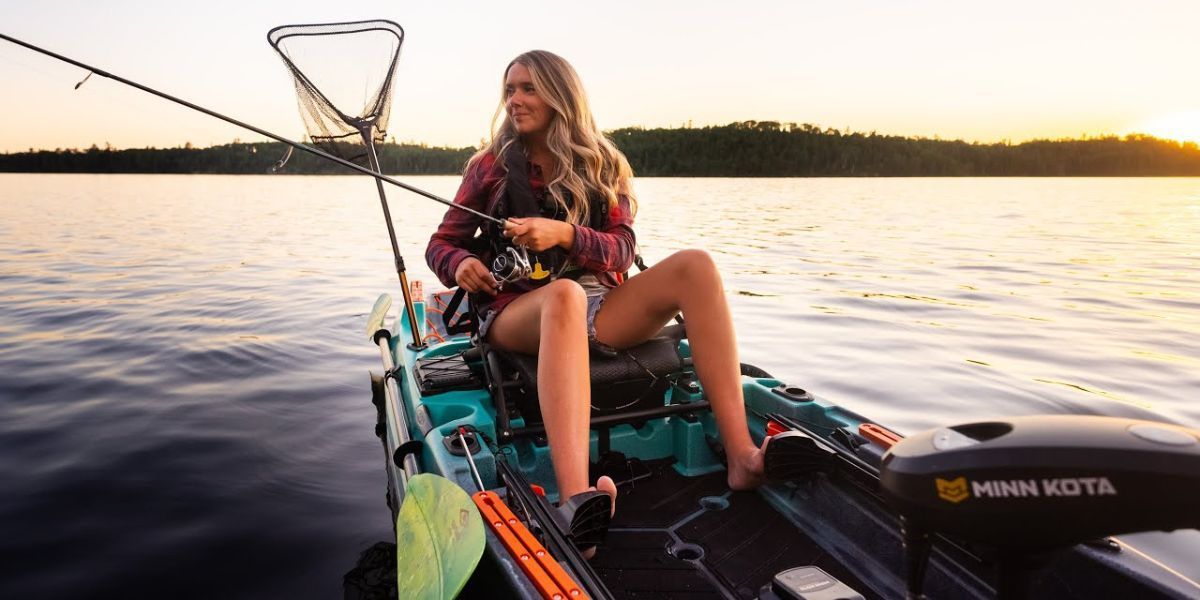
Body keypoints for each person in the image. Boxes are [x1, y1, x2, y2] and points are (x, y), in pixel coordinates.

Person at [426, 50, 767, 518]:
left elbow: (623, 249)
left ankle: (743, 456)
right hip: (515, 316)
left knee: (697, 265)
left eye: (528, 89)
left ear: (560, 95)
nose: (515, 101)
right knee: (563, 294)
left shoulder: (603, 162)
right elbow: (441, 244)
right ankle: (576, 501)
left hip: (598, 309)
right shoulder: (488, 166)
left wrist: (565, 234)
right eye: (510, 90)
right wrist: (461, 262)